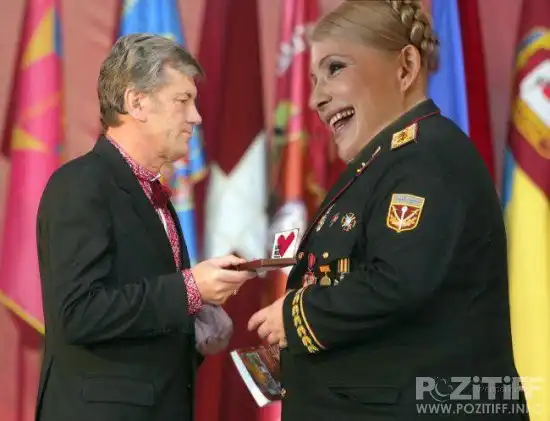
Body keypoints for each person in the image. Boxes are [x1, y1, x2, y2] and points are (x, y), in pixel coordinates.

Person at [248, 1, 529, 420]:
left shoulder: (427, 157)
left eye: (335, 68)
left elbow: (396, 281)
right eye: (313, 79)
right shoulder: (383, 164)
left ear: (405, 68)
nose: (316, 98)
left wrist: (295, 316)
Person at [35, 33, 254, 421]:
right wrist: (189, 289)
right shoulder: (81, 183)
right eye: (183, 100)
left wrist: (197, 321)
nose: (196, 117)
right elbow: (78, 313)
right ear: (136, 102)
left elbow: (140, 313)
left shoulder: (156, 197)